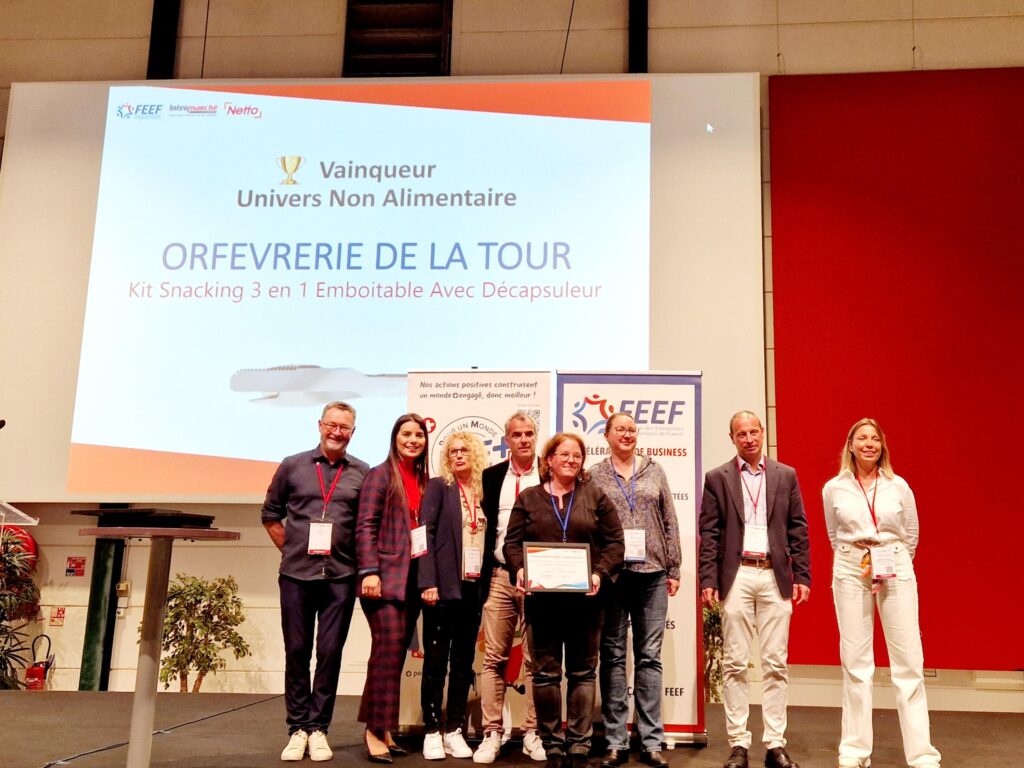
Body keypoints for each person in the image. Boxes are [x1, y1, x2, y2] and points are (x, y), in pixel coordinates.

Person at [822, 418, 941, 768]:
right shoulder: (834, 488)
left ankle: (921, 754)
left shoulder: (898, 485)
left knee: (908, 662)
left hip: (894, 564)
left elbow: (911, 534)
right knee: (856, 662)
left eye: (875, 438)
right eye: (862, 438)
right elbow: (833, 533)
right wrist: (859, 556)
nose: (869, 444)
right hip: (850, 566)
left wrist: (888, 558)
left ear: (882, 446)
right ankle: (855, 750)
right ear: (851, 445)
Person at [504, 433, 624, 768]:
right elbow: (511, 544)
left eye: (577, 455)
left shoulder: (595, 496)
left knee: (583, 673)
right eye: (564, 454)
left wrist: (599, 573)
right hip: (543, 603)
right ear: (550, 460)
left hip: (586, 602)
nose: (571, 460)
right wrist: (520, 569)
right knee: (545, 675)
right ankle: (552, 744)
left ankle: (579, 745)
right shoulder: (529, 498)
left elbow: (616, 543)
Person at [698, 411, 810, 768]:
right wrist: (708, 580)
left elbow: (798, 528)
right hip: (738, 576)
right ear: (732, 438)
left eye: (753, 432)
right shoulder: (717, 478)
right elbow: (709, 533)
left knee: (776, 662)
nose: (748, 439)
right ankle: (738, 744)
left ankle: (775, 743)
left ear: (762, 432)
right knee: (734, 663)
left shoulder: (785, 475)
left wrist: (802, 576)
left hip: (774, 575)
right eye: (741, 434)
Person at [262, 401, 370, 762]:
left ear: (353, 432)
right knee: (296, 651)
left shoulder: (362, 472)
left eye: (345, 427)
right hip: (296, 575)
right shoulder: (292, 465)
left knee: (329, 653)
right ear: (320, 425)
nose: (337, 432)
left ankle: (319, 728)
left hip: (341, 577)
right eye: (332, 425)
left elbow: (365, 526)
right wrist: (291, 548)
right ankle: (297, 729)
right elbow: (270, 514)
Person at [591, 412, 681, 768]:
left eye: (632, 429)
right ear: (607, 435)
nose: (627, 435)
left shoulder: (654, 470)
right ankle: (615, 740)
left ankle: (651, 740)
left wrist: (674, 566)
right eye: (620, 429)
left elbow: (670, 519)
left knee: (649, 657)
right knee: (613, 656)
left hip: (653, 573)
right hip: (613, 575)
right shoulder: (595, 474)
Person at [356, 413, 431, 764]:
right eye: (406, 434)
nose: (413, 440)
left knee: (395, 655)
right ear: (395, 438)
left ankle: (384, 727)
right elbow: (365, 526)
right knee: (386, 653)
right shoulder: (380, 475)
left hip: (413, 580)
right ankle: (374, 731)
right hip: (383, 580)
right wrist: (369, 571)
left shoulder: (424, 479)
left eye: (419, 435)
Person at [475, 412, 547, 763]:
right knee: (494, 658)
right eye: (516, 434)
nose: (523, 439)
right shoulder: (491, 477)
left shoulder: (548, 474)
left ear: (536, 437)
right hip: (500, 576)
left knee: (536, 659)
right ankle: (492, 732)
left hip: (539, 578)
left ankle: (533, 731)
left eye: (529, 433)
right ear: (507, 440)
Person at [418, 431, 490, 760]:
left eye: (464, 450)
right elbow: (424, 534)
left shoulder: (482, 492)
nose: (458, 455)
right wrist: (427, 581)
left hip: (473, 589)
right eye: (452, 451)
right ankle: (432, 729)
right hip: (442, 588)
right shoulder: (439, 487)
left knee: (463, 663)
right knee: (435, 662)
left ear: (474, 454)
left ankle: (454, 729)